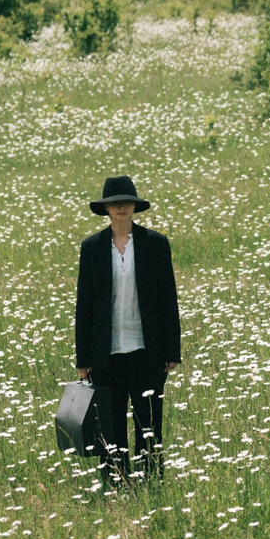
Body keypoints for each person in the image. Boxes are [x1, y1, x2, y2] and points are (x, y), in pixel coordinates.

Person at [74, 175, 180, 480]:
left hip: (148, 350)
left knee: (149, 425)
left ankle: (151, 481)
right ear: (106, 209)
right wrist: (84, 359)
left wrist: (172, 350)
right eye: (115, 203)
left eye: (127, 202)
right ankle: (116, 484)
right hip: (107, 353)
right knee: (111, 426)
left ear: (135, 206)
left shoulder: (155, 244)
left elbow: (167, 298)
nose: (121, 207)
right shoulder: (92, 247)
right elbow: (85, 304)